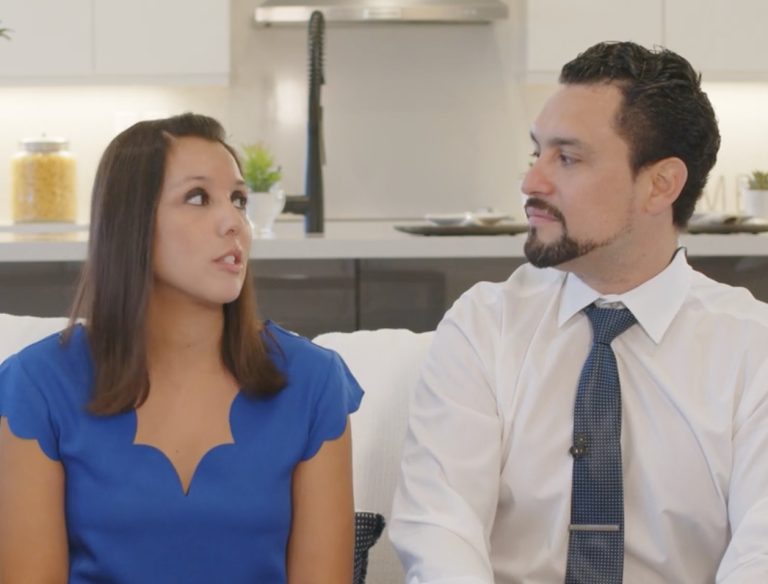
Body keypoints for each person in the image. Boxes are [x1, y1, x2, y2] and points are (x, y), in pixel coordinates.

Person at [389, 41, 768, 583]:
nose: (531, 183)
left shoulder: (754, 349)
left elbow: (761, 551)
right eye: (536, 154)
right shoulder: (485, 326)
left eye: (566, 158)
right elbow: (439, 528)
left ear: (660, 185)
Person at [0, 113, 363, 583]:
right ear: (131, 222)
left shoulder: (313, 382)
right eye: (198, 197)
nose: (233, 222)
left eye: (238, 200)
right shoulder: (38, 385)